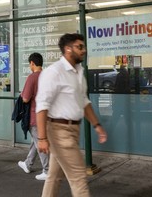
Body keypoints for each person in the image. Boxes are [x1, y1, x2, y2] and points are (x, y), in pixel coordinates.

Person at [36, 33, 107, 197]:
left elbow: (84, 101)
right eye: (79, 47)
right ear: (68, 49)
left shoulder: (78, 72)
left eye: (83, 46)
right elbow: (42, 106)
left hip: (73, 131)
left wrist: (97, 125)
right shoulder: (54, 72)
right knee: (79, 178)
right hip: (59, 131)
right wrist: (41, 138)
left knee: (54, 177)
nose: (84, 50)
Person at [18, 52, 49, 181]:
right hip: (47, 115)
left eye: (29, 64)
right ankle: (28, 163)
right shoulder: (47, 76)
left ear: (32, 63)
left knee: (40, 142)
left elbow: (25, 98)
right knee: (36, 141)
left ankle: (47, 170)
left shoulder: (32, 77)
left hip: (35, 116)